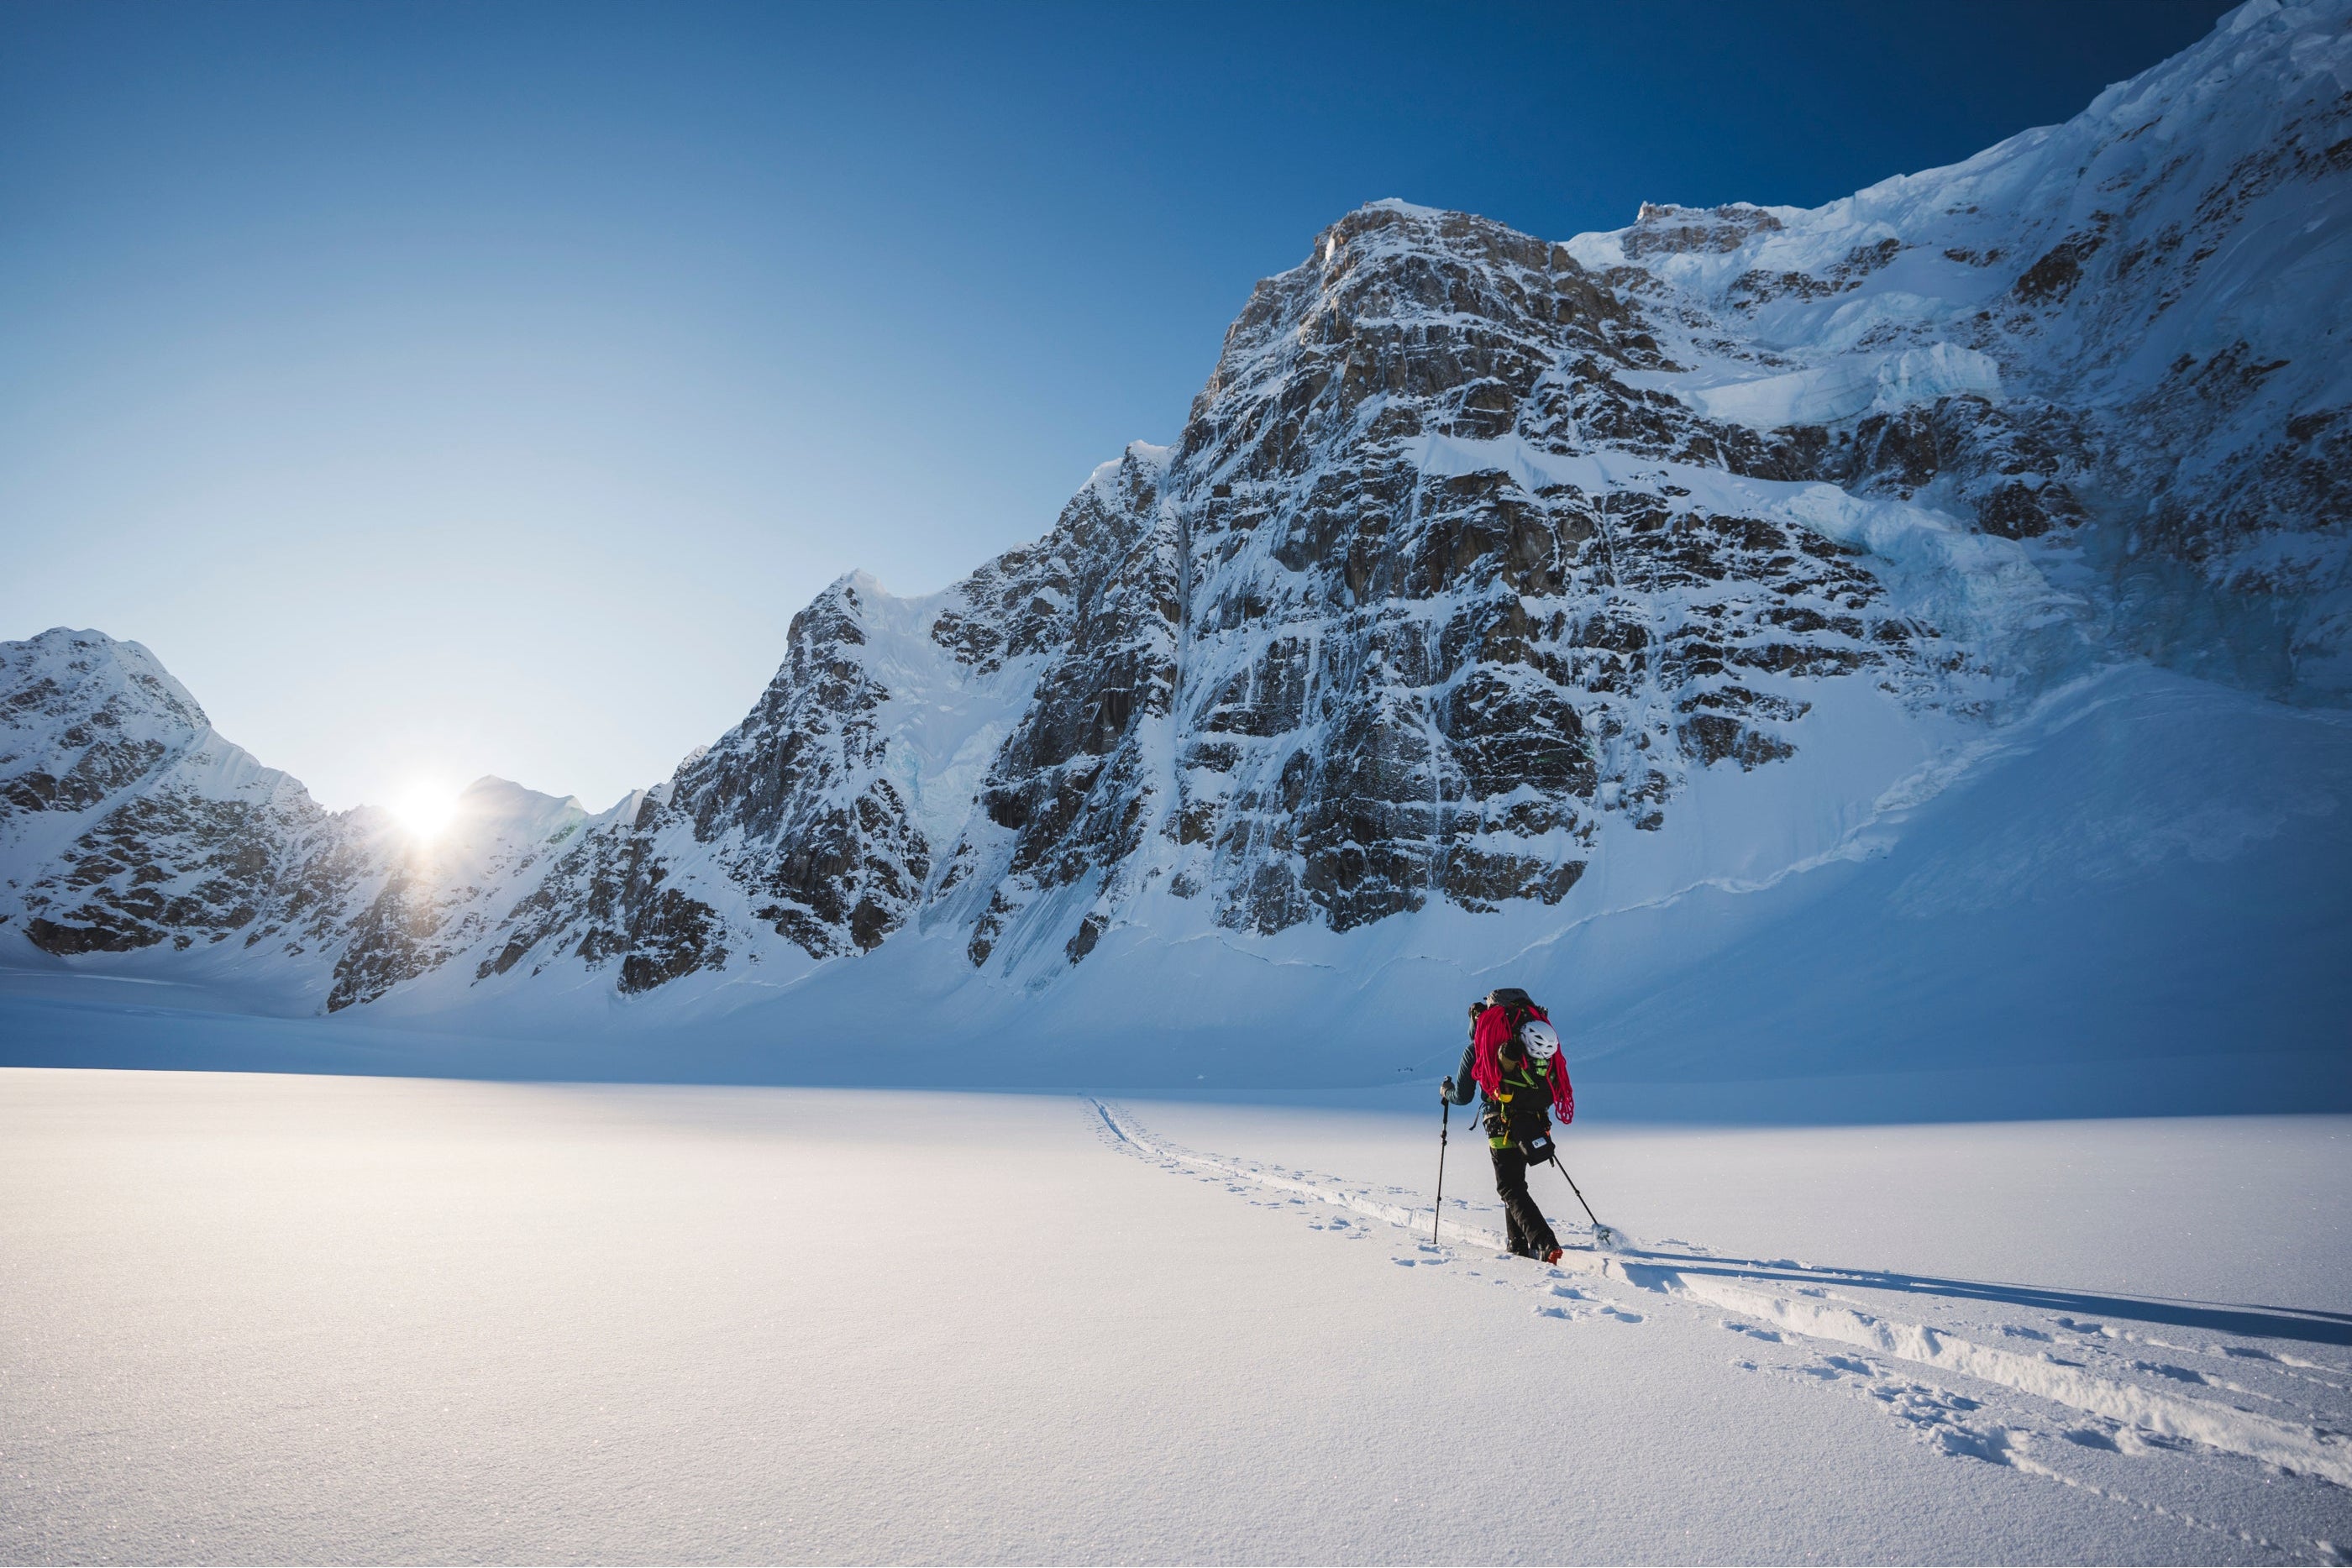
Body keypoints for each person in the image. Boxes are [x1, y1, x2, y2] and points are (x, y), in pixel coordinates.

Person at [1442, 986, 1575, 1263]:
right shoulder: (1533, 1041)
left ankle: (1544, 1241)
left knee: (1510, 1188)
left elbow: (1463, 1097)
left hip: (1499, 1122)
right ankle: (1517, 1243)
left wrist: (1447, 1092)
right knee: (1516, 1184)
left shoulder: (1477, 1048)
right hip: (1533, 1121)